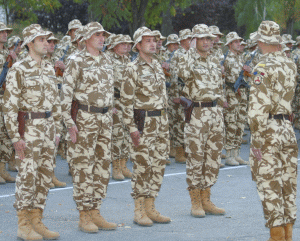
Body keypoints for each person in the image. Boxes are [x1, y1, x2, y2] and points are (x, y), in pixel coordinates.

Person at [3, 24, 61, 240]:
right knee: (27, 177)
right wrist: (15, 138)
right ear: (29, 43)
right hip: (28, 130)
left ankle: (37, 220)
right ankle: (23, 224)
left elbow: (53, 102)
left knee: (44, 177)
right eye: (41, 40)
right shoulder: (19, 69)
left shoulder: (48, 67)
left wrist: (55, 129)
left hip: (47, 130)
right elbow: (9, 107)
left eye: (47, 40)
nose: (47, 43)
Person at [61, 22, 117, 233]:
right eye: (97, 35)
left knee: (102, 167)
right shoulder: (75, 61)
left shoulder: (107, 60)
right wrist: (69, 123)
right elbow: (65, 96)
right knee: (83, 166)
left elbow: (109, 90)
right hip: (84, 119)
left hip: (104, 119)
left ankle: (96, 210)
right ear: (85, 38)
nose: (102, 38)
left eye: (103, 35)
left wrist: (110, 110)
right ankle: (84, 214)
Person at [249, 20, 298, 241]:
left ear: (261, 41)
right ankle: (288, 234)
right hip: (287, 128)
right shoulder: (290, 64)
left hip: (268, 129)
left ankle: (277, 236)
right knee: (288, 183)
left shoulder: (262, 67)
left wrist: (256, 141)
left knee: (269, 185)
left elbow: (257, 108)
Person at [120, 26, 170, 226]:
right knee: (142, 167)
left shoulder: (157, 65)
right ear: (138, 45)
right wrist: (132, 128)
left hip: (161, 122)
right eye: (147, 40)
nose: (153, 43)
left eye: (154, 40)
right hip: (144, 123)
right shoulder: (132, 68)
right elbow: (126, 102)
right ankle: (139, 210)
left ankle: (151, 207)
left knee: (158, 165)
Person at [176, 24, 225, 218]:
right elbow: (183, 74)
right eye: (202, 38)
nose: (206, 42)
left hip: (215, 112)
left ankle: (207, 198)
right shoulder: (186, 58)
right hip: (196, 113)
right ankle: (195, 201)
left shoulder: (214, 60)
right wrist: (190, 50)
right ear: (194, 40)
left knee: (213, 158)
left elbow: (218, 88)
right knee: (196, 158)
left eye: (209, 38)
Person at [108, 34, 132, 181]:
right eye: (122, 44)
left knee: (126, 134)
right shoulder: (109, 60)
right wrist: (110, 105)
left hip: (127, 102)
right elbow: (106, 84)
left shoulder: (128, 60)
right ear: (115, 46)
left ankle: (124, 165)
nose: (126, 46)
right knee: (116, 135)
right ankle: (116, 167)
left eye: (127, 44)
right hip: (116, 101)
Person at [223, 32, 249, 166]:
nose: (239, 44)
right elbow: (224, 79)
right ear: (229, 44)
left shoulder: (241, 58)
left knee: (240, 123)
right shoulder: (226, 59)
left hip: (242, 95)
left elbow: (247, 77)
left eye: (239, 41)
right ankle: (229, 155)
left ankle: (237, 154)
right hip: (231, 95)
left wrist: (248, 71)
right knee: (231, 124)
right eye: (235, 42)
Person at [169, 29, 192, 164]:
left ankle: (186, 149)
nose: (191, 41)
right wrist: (175, 95)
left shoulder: (191, 54)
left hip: (190, 93)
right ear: (183, 41)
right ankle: (179, 151)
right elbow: (173, 76)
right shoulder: (177, 54)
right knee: (179, 123)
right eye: (189, 39)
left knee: (188, 122)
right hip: (180, 92)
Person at [0, 22, 17, 184]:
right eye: (2, 32)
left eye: (6, 32)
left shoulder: (8, 53)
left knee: (6, 135)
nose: (5, 34)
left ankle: (2, 169)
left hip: (6, 98)